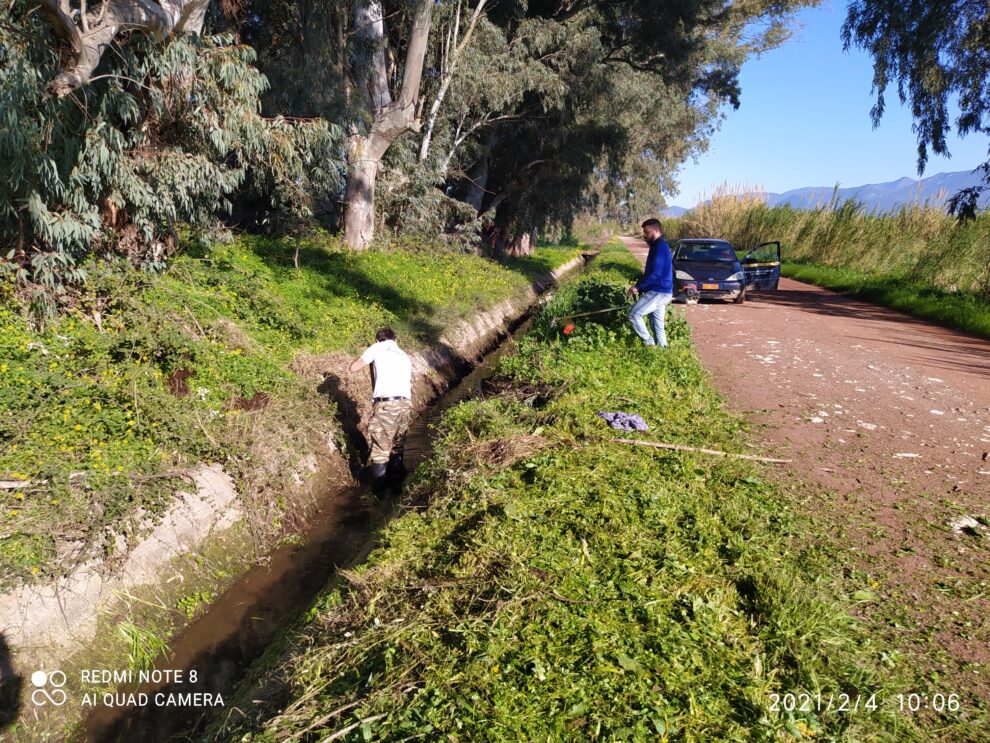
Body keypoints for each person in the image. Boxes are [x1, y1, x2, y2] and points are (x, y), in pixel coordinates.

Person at [349, 327, 413, 495]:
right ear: (396, 339)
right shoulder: (404, 355)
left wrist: (370, 353)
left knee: (380, 450)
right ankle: (397, 489)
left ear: (378, 340)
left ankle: (378, 495)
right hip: (405, 404)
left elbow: (353, 367)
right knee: (397, 446)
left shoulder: (377, 347)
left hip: (387, 406)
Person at [627, 218, 674, 348]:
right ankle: (663, 350)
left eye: (647, 232)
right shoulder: (658, 246)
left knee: (634, 315)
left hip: (658, 291)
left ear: (656, 230)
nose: (645, 235)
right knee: (657, 324)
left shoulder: (660, 247)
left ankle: (649, 344)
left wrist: (637, 287)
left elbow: (655, 273)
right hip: (662, 291)